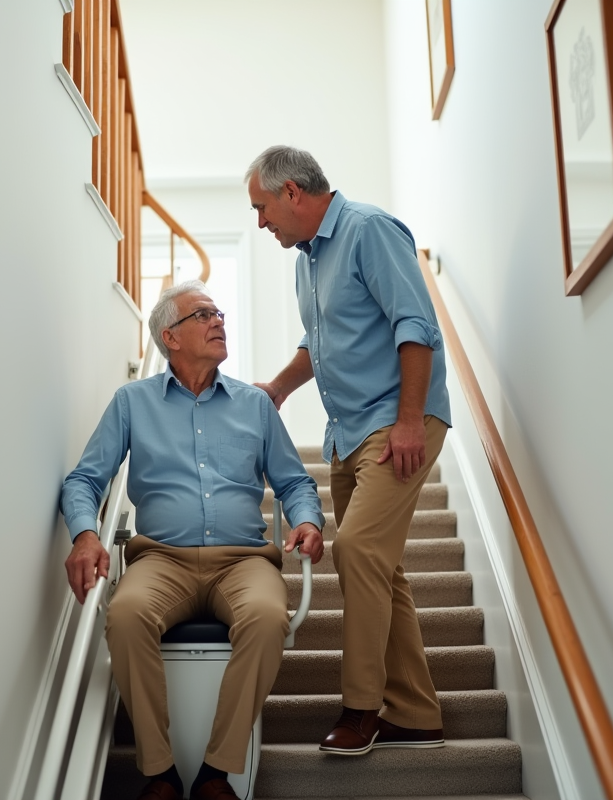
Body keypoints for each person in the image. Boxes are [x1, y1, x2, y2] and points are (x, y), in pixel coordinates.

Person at [62, 281, 324, 800]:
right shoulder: (132, 402)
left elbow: (295, 483)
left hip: (244, 561)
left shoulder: (255, 404)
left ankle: (215, 774)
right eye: (203, 314)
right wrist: (86, 534)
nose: (218, 320)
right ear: (170, 337)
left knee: (267, 618)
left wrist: (307, 521)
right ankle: (159, 773)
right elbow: (84, 480)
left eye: (219, 312)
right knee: (125, 615)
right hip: (161, 559)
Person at [246, 145, 452, 755]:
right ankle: (416, 713)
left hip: (396, 422)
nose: (260, 222)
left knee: (357, 548)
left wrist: (410, 420)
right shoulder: (306, 261)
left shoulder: (369, 230)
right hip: (348, 432)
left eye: (262, 207)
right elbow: (319, 340)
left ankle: (362, 709)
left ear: (291, 192)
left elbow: (416, 326)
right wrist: (277, 389)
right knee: (379, 567)